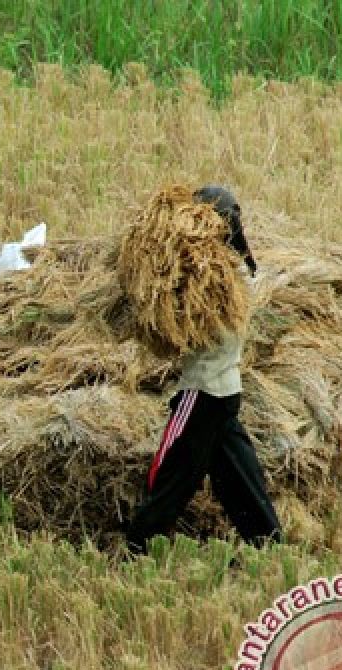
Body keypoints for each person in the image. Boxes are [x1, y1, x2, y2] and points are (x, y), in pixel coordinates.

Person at [125, 186, 282, 554]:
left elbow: (177, 320)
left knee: (169, 473)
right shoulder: (242, 270)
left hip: (201, 392)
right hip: (227, 392)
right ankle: (270, 544)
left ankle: (139, 547)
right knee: (238, 477)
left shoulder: (211, 278)